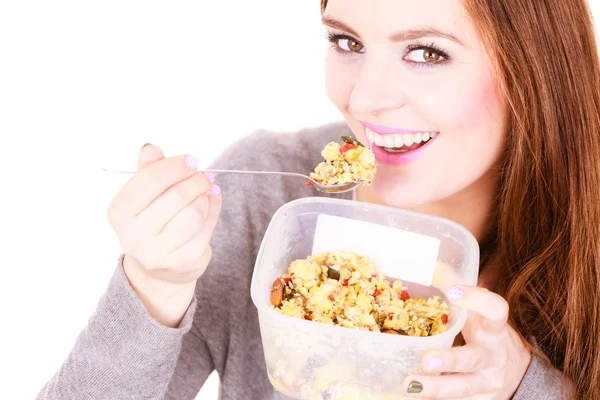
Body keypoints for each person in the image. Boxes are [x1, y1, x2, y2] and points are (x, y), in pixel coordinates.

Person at [37, 0, 600, 399]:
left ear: (534, 69)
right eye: (347, 42)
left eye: (427, 53)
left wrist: (521, 390)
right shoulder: (264, 200)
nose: (365, 99)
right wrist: (153, 286)